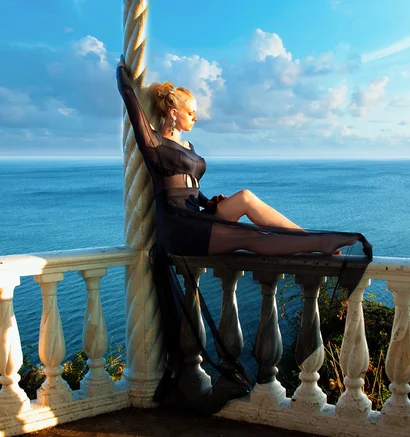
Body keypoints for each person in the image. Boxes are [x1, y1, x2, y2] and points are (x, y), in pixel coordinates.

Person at [116, 55, 372, 413]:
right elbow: (133, 109)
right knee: (253, 239)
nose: (196, 117)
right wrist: (122, 77)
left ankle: (307, 237)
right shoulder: (155, 144)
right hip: (179, 225)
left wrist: (210, 201)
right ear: (173, 111)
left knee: (246, 198)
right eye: (192, 111)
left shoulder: (187, 147)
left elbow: (191, 188)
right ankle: (315, 244)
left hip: (196, 212)